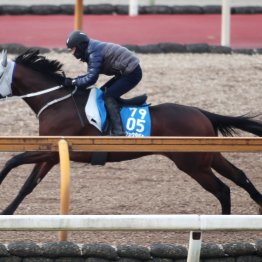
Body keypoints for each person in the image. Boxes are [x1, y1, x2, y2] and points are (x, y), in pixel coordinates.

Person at [64, 30, 142, 136]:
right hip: (125, 72)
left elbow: (91, 79)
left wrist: (73, 82)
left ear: (80, 46)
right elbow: (90, 75)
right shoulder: (91, 49)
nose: (72, 53)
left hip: (132, 73)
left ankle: (118, 131)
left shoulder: (93, 53)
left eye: (73, 49)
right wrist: (74, 80)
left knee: (108, 97)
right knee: (101, 92)